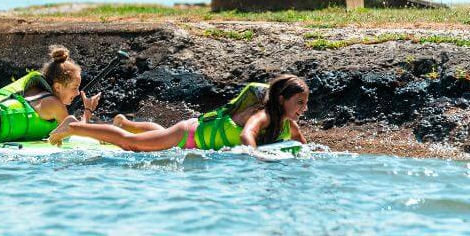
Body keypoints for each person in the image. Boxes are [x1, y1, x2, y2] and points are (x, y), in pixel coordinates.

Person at [48, 75, 308, 152]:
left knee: (158, 136)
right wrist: (255, 157)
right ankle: (73, 126)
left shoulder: (289, 125)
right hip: (189, 136)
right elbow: (246, 135)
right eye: (299, 102)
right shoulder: (263, 116)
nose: (303, 109)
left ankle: (125, 122)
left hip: (192, 135)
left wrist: (309, 154)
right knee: (133, 145)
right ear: (282, 99)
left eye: (305, 103)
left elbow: (301, 144)